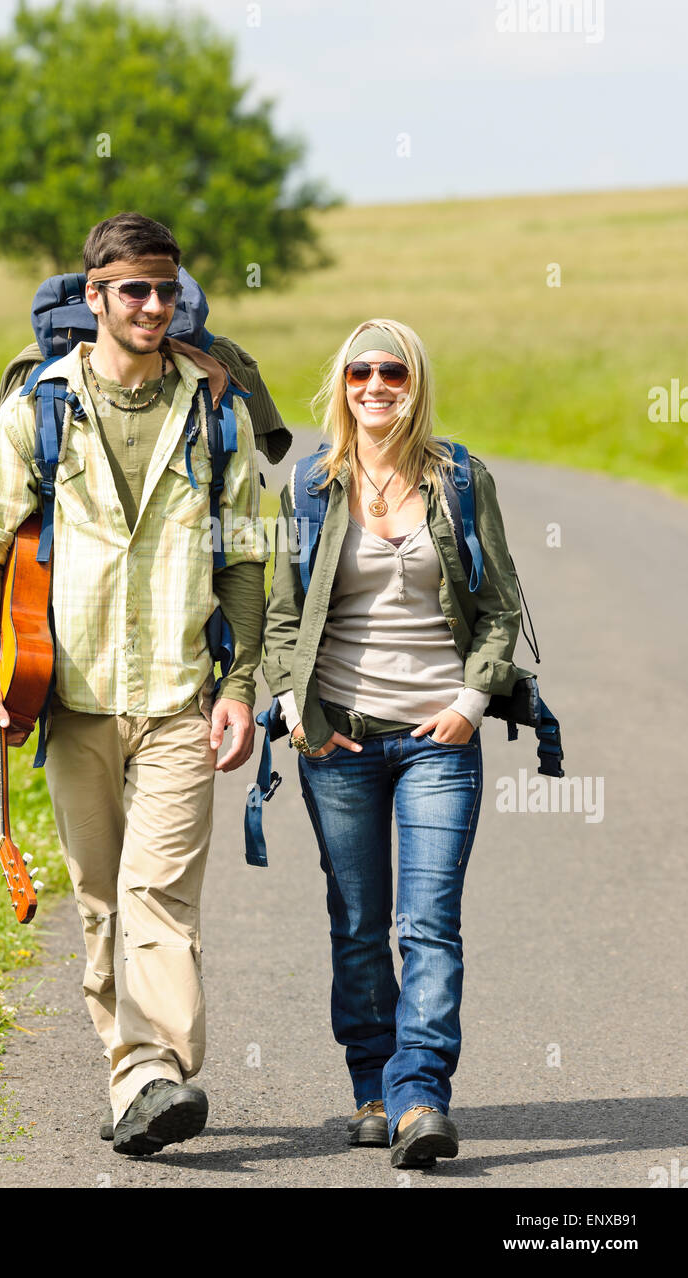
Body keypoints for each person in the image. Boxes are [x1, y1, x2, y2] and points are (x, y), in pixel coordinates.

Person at [0, 211, 269, 1156]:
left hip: (178, 695)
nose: (155, 306)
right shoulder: (39, 407)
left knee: (158, 894)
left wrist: (239, 683)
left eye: (168, 290)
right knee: (100, 900)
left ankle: (152, 1072)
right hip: (70, 700)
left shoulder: (215, 409)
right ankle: (133, 1075)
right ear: (94, 296)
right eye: (135, 290)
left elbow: (247, 556)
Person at [263, 319, 526, 1170]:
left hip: (438, 738)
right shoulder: (308, 485)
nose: (377, 387)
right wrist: (293, 706)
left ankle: (420, 1097)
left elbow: (500, 606)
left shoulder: (459, 479)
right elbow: (277, 616)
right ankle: (371, 1088)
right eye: (360, 373)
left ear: (416, 384)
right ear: (340, 385)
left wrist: (473, 699)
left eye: (394, 374)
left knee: (430, 924)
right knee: (357, 923)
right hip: (337, 736)